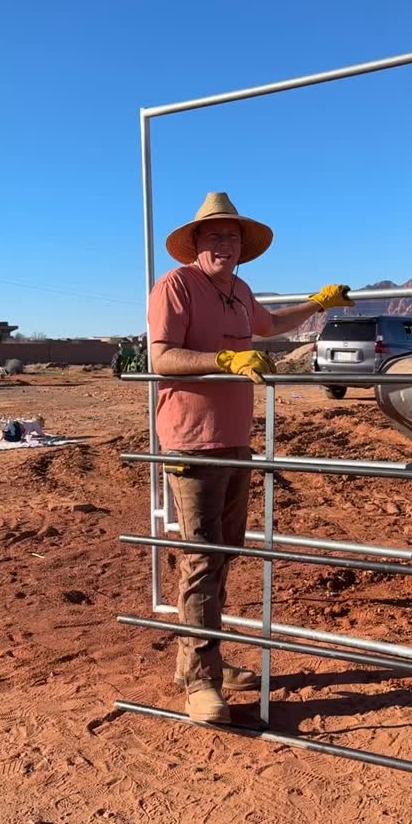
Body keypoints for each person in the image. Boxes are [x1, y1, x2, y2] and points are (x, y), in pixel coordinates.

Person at [148, 191, 353, 723]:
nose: (226, 244)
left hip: (235, 438)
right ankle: (202, 682)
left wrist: (318, 304)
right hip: (191, 440)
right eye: (215, 235)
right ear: (196, 242)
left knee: (224, 552)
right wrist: (224, 359)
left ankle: (197, 660)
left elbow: (271, 325)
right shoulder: (176, 286)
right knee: (202, 556)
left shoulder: (239, 290)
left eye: (233, 236)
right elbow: (162, 356)